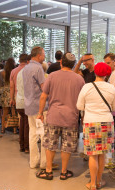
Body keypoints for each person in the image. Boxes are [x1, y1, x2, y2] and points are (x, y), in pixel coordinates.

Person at [36, 52, 85, 180]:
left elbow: (43, 96)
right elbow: (83, 100)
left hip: (54, 115)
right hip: (71, 117)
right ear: (74, 64)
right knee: (67, 146)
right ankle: (64, 172)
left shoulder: (52, 76)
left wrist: (40, 113)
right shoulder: (79, 79)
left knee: (50, 143)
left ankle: (48, 171)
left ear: (61, 62)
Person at [76, 62, 115, 190]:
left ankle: (93, 184)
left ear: (95, 72)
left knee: (92, 155)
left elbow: (79, 106)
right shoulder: (111, 88)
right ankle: (100, 181)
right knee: (102, 155)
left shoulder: (87, 87)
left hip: (91, 122)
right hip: (107, 123)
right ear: (107, 74)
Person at [23, 47, 48, 169]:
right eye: (43, 54)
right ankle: (44, 163)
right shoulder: (38, 68)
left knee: (32, 133)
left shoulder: (25, 68)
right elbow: (44, 88)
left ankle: (33, 162)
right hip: (40, 107)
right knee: (43, 135)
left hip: (28, 105)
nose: (44, 56)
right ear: (39, 56)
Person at [103, 53, 115, 169]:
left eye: (109, 63)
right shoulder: (112, 74)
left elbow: (114, 92)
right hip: (114, 110)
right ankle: (113, 160)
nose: (108, 66)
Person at [14, 54, 30, 153]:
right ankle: (26, 146)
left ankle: (22, 145)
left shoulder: (19, 72)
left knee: (23, 123)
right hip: (26, 101)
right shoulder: (28, 72)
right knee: (27, 125)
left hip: (19, 101)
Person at [0, 58, 17, 134]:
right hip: (12, 92)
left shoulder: (2, 72)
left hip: (4, 92)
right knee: (13, 112)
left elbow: (0, 83)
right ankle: (14, 129)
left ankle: (3, 129)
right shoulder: (14, 72)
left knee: (4, 112)